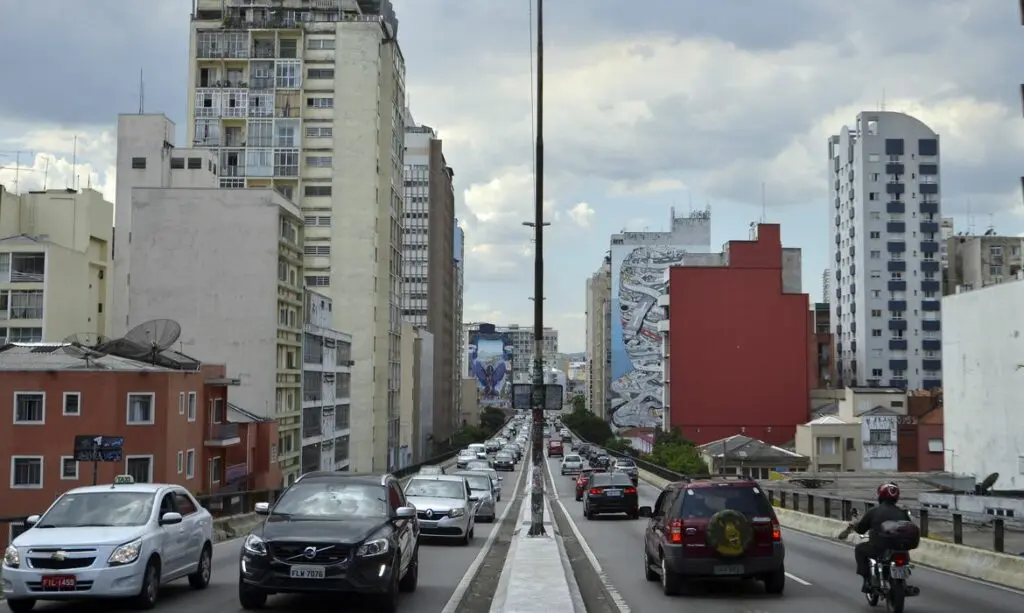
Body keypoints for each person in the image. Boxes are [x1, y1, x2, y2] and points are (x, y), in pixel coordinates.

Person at [838, 482, 913, 593]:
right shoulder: (903, 512)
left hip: (879, 548)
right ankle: (903, 584)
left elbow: (861, 529)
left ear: (880, 495)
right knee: (903, 560)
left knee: (859, 549)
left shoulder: (873, 512)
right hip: (901, 549)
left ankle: (867, 581)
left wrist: (855, 525)